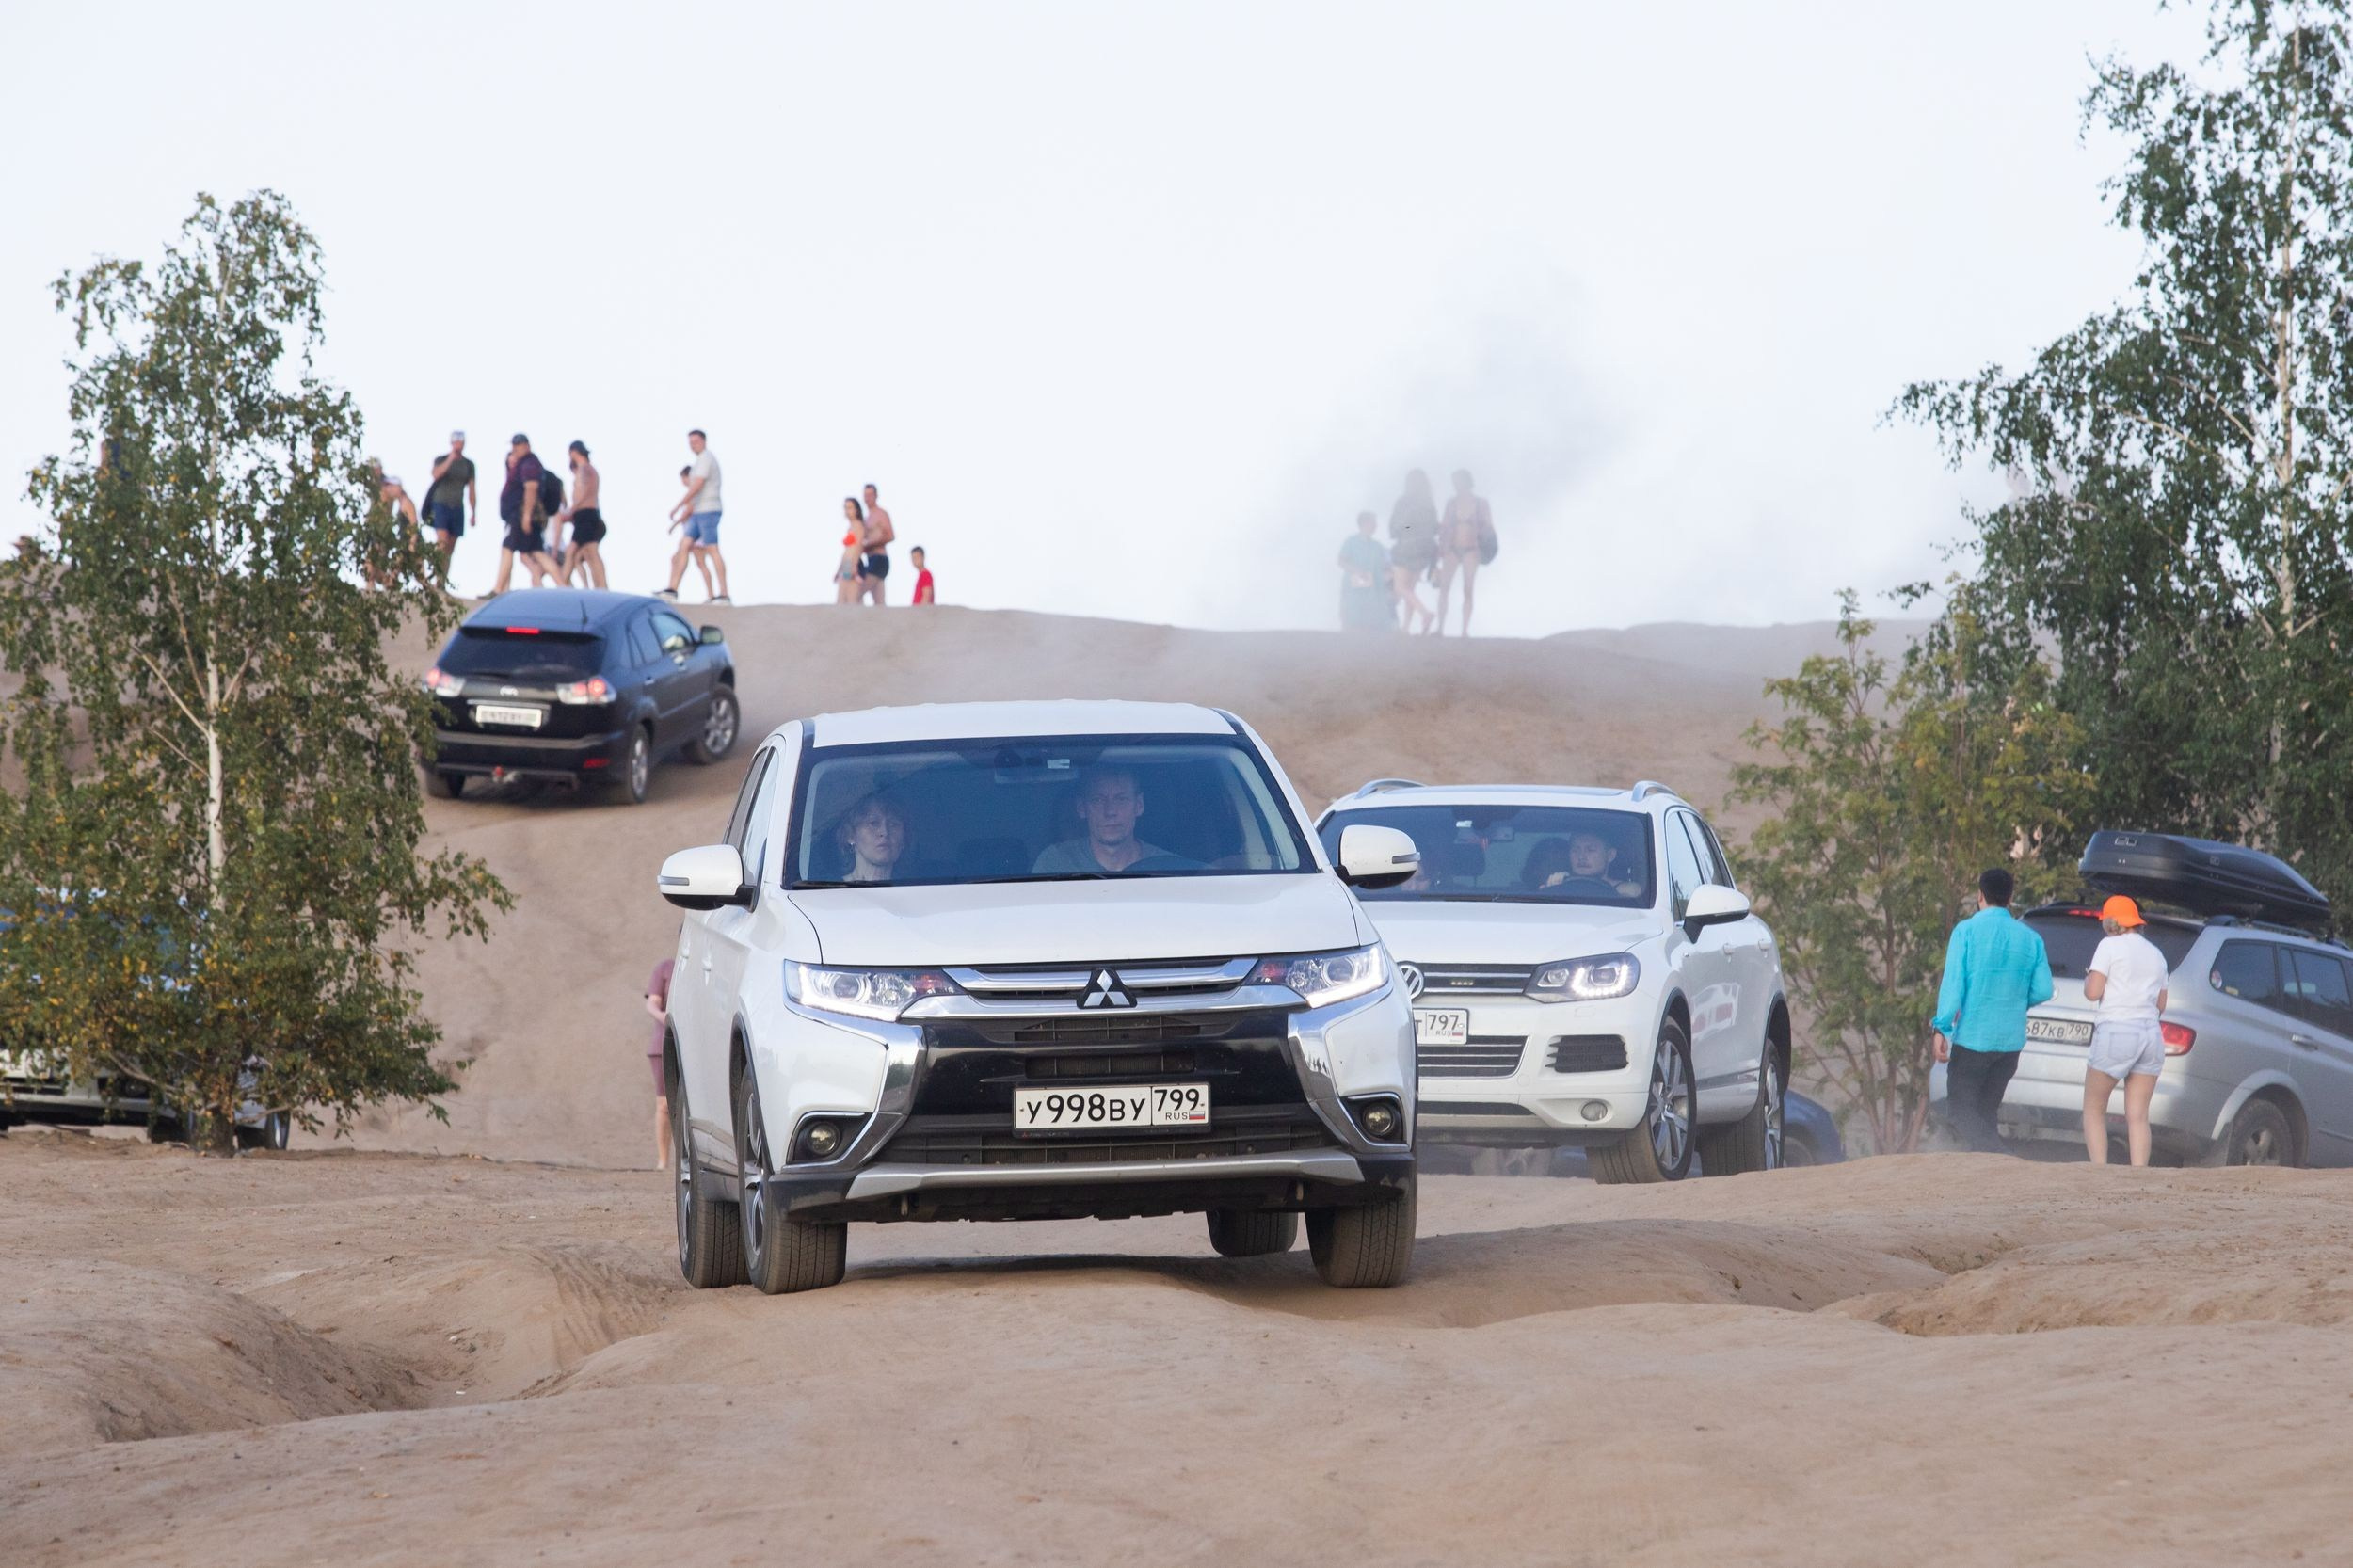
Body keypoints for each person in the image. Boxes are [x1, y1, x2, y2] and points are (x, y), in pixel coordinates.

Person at [1931, 867, 2054, 1154]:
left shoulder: (1966, 931)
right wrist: (2013, 1001)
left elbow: (1953, 987)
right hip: (2010, 1043)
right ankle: (1991, 1181)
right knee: (1986, 1113)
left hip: (1973, 1039)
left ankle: (2003, 1158)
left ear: (1980, 895)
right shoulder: (2031, 938)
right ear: (2010, 898)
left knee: (1960, 1111)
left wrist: (1941, 1027)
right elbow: (2044, 990)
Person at [2082, 894, 2169, 1166]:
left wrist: (2089, 978)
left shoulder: (2108, 946)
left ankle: (2100, 1171)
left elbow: (2093, 992)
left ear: (2111, 924)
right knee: (2138, 1116)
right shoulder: (2157, 954)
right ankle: (2139, 1177)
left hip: (2117, 1031)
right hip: (2151, 1036)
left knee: (2094, 1109)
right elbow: (2161, 1005)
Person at [1032, 767, 1186, 874]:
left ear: (1139, 805)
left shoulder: (1168, 865)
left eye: (1121, 799)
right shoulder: (1055, 862)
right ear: (1081, 808)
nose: (1110, 811)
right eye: (1098, 800)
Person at [663, 429, 728, 602]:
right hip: (698, 512)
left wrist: (678, 506)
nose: (693, 445)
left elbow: (697, 485)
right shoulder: (699, 461)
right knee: (684, 546)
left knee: (712, 549)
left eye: (696, 441)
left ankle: (723, 594)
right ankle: (672, 590)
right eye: (691, 442)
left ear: (704, 441)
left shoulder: (706, 458)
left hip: (708, 510)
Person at [493, 434, 557, 594]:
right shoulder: (524, 463)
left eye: (517, 446)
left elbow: (531, 488)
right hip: (520, 515)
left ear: (525, 446)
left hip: (523, 515)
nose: (514, 449)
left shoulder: (530, 463)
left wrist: (527, 516)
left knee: (509, 548)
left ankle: (498, 590)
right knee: (535, 553)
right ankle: (561, 585)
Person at [1433, 469, 1493, 636]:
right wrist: (1440, 546)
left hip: (1471, 549)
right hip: (1452, 548)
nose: (1456, 485)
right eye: (1454, 482)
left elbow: (1489, 526)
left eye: (1458, 481)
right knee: (1444, 587)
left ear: (1467, 482)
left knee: (1468, 588)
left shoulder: (1481, 503)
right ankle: (1440, 628)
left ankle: (1464, 630)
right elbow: (1445, 525)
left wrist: (1486, 544)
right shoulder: (1451, 503)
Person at [1387, 469, 1439, 634]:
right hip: (1425, 550)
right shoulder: (1428, 504)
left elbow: (1398, 527)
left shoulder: (1404, 502)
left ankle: (1425, 613)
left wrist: (1407, 527)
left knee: (1400, 586)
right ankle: (1406, 627)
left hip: (1407, 548)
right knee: (1410, 588)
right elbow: (1433, 527)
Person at [664, 465, 719, 601]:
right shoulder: (694, 493)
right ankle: (710, 595)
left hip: (695, 534)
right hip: (695, 532)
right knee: (699, 563)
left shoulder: (693, 493)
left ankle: (672, 589)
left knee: (687, 560)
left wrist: (674, 524)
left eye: (683, 478)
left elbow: (689, 511)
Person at [423, 431, 475, 572]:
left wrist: (473, 512)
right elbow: (436, 474)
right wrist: (451, 457)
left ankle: (441, 580)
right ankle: (434, 574)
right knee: (442, 541)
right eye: (456, 442)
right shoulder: (441, 459)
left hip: (457, 506)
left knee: (450, 547)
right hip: (440, 504)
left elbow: (471, 489)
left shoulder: (469, 465)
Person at [645, 957, 675, 1170]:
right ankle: (663, 1161)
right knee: (664, 1105)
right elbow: (652, 1002)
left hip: (697, 1045)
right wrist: (664, 1017)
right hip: (664, 1044)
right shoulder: (665, 968)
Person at [1337, 510, 1390, 631]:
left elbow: (1387, 565)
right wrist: (1357, 571)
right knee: (1350, 621)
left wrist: (1388, 576)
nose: (1376, 526)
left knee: (1369, 625)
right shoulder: (1351, 542)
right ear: (1365, 523)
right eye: (1374, 522)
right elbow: (1341, 561)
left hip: (1372, 593)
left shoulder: (1377, 546)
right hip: (1352, 589)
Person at [837, 794, 909, 882]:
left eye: (893, 824)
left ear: (903, 840)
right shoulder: (828, 891)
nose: (885, 832)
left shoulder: (917, 890)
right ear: (850, 835)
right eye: (874, 823)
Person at [856, 482, 894, 605]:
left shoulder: (881, 514)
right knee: (879, 602)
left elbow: (890, 535)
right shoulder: (867, 518)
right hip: (871, 559)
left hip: (880, 559)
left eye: (870, 495)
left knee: (857, 593)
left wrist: (870, 543)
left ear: (876, 496)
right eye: (865, 495)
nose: (867, 498)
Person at [834, 498, 866, 603]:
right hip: (846, 563)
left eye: (850, 508)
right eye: (846, 508)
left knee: (850, 594)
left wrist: (854, 565)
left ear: (856, 510)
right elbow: (847, 551)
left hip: (851, 564)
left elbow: (858, 547)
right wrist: (839, 570)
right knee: (843, 594)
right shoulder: (851, 527)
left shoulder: (858, 525)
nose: (847, 511)